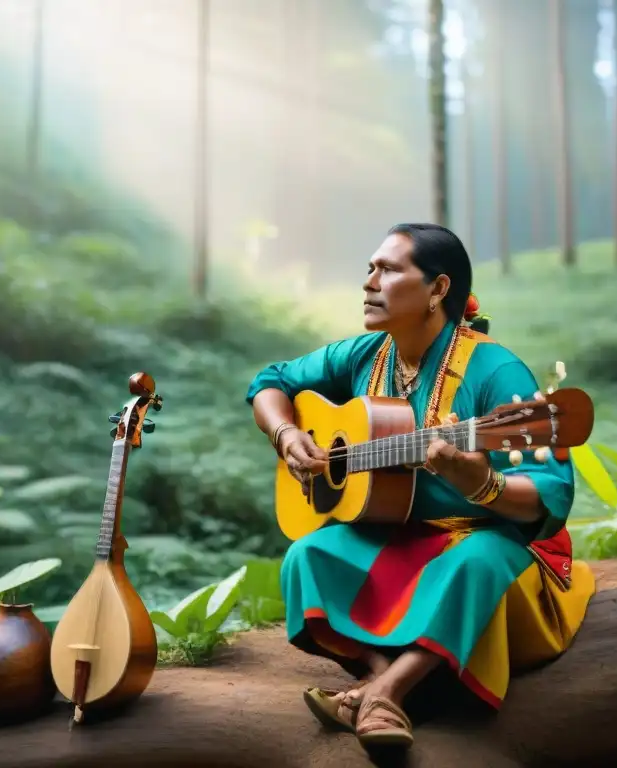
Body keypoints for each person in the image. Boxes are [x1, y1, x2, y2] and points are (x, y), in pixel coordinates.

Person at [245, 224, 596, 751]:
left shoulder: (497, 371)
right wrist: (287, 432)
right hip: (399, 535)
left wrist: (483, 483)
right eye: (370, 268)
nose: (369, 282)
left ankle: (382, 692)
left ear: (438, 290)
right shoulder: (367, 354)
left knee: (474, 561)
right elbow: (270, 381)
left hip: (488, 543)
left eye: (387, 270)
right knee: (307, 555)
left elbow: (551, 493)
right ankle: (387, 673)